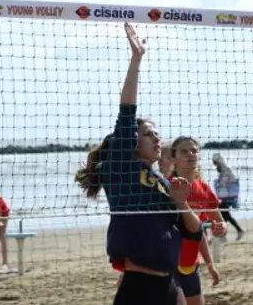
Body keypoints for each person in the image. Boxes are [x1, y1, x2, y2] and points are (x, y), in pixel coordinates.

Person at [74, 22, 203, 305]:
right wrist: (136, 59)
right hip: (140, 286)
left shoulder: (162, 180)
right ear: (132, 141)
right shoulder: (123, 168)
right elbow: (126, 111)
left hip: (169, 283)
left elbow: (194, 233)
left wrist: (181, 203)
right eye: (148, 134)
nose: (157, 138)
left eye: (158, 134)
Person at [170, 136, 227, 305]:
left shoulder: (203, 188)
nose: (190, 154)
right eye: (184, 151)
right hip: (167, 265)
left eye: (194, 150)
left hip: (191, 265)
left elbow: (216, 224)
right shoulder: (166, 187)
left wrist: (221, 228)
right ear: (174, 158)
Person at [211, 153, 245, 241]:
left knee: (221, 214)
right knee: (225, 216)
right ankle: (236, 231)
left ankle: (222, 235)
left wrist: (217, 182)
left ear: (219, 162)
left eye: (215, 163)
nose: (214, 165)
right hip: (226, 197)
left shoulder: (225, 170)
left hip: (228, 197)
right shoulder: (223, 169)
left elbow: (223, 183)